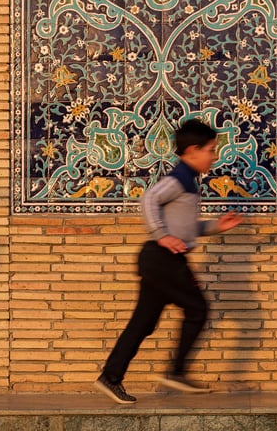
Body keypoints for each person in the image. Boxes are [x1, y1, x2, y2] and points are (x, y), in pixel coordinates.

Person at [94, 118, 243, 404]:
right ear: (192, 151)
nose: (214, 156)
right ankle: (176, 372)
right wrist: (161, 235)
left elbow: (186, 230)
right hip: (165, 259)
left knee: (143, 323)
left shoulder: (188, 182)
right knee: (198, 309)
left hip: (159, 260)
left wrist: (215, 227)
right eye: (211, 150)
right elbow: (148, 200)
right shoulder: (178, 179)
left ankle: (110, 377)